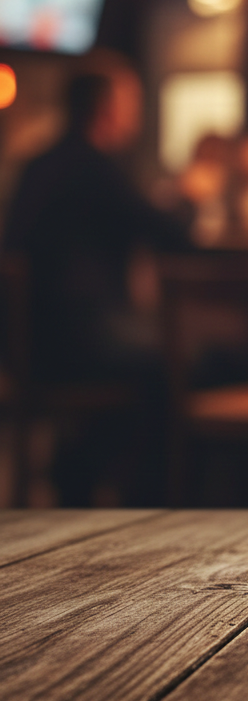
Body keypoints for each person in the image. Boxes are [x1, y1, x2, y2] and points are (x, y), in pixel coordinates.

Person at [3, 53, 189, 503]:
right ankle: (156, 507)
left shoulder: (37, 165)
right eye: (130, 100)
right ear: (108, 109)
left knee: (157, 362)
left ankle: (77, 474)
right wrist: (190, 198)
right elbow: (168, 232)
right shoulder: (95, 167)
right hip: (76, 341)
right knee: (176, 365)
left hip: (24, 344)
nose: (135, 113)